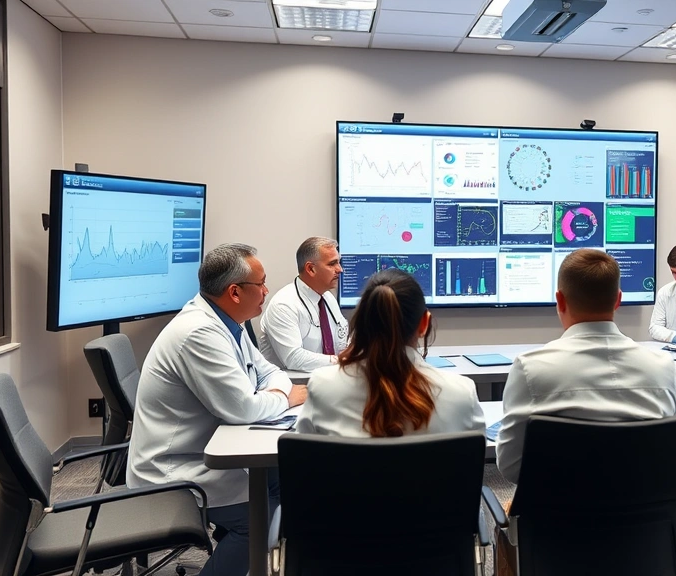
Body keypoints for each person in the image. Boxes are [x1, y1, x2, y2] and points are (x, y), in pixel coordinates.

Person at [127, 243, 306, 576]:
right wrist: (287, 397)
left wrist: (276, 390)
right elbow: (242, 408)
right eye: (261, 284)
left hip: (203, 449)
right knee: (258, 522)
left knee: (285, 479)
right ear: (235, 292)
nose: (267, 291)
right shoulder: (199, 333)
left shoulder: (227, 321)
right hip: (174, 471)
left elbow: (268, 370)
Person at [497, 249, 676, 483]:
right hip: (646, 517)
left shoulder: (530, 369)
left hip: (559, 517)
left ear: (560, 301)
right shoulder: (663, 368)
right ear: (618, 300)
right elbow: (668, 458)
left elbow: (511, 467)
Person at [296, 268, 484, 437]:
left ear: (362, 321)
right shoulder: (461, 392)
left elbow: (305, 459)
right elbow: (475, 463)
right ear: (424, 324)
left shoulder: (323, 386)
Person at [260, 237, 349, 371]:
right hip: (294, 386)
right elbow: (294, 359)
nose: (340, 269)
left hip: (327, 381)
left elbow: (341, 340)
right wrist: (340, 360)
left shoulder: (328, 298)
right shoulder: (284, 305)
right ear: (311, 269)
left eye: (339, 262)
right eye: (332, 264)